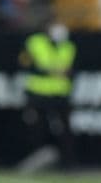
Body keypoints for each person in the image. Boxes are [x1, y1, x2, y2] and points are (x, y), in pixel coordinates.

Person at [18, 20, 76, 170]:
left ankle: (67, 163)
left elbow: (71, 69)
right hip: (38, 93)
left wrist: (66, 73)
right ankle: (37, 161)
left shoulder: (68, 46)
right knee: (37, 128)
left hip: (60, 94)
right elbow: (25, 64)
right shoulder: (35, 42)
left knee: (64, 129)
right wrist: (50, 72)